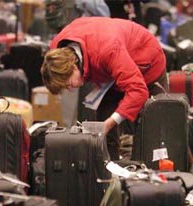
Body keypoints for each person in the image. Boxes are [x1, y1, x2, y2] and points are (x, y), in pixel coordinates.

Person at [41, 16, 167, 159]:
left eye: (69, 84)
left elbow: (138, 90)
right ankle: (110, 169)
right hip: (109, 72)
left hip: (146, 60)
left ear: (73, 65)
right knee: (103, 125)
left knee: (159, 128)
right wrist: (106, 124)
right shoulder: (57, 51)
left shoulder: (107, 49)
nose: (70, 89)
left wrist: (110, 122)